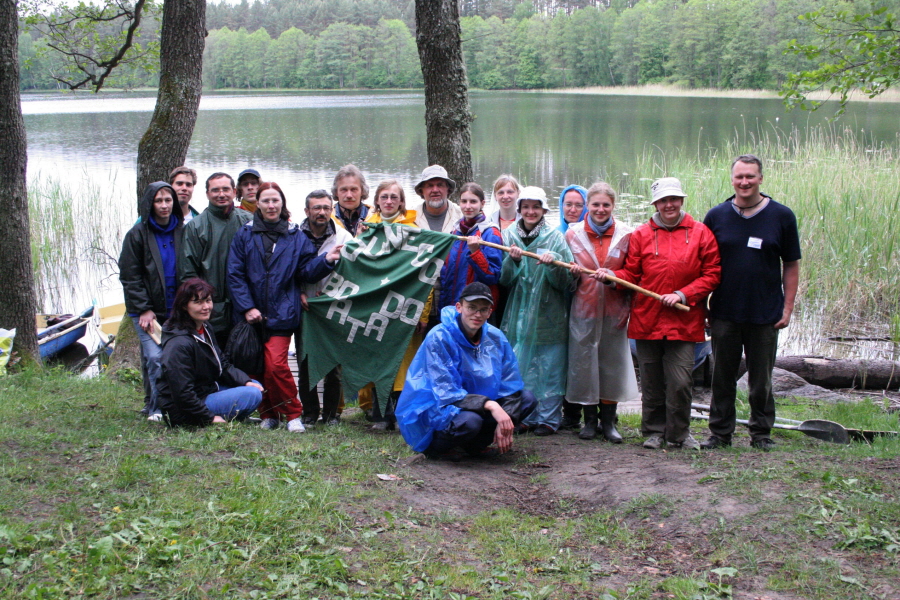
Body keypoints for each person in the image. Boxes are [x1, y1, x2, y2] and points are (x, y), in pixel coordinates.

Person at [600, 177, 720, 450]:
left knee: (680, 381)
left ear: (681, 201)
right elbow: (631, 274)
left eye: (674, 199)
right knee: (652, 381)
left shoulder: (701, 233)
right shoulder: (641, 234)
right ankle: (654, 431)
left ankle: (679, 433)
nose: (669, 205)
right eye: (663, 200)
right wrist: (612, 277)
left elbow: (712, 274)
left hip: (684, 320)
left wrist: (683, 294)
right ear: (655, 203)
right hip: (647, 319)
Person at [700, 155, 802, 451]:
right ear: (732, 179)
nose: (744, 182)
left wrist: (788, 307)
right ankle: (720, 434)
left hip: (766, 313)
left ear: (761, 179)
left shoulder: (782, 216)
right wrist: (704, 306)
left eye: (750, 176)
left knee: (761, 381)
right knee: (721, 378)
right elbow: (704, 266)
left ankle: (761, 434)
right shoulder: (716, 216)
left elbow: (791, 264)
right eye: (739, 177)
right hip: (724, 312)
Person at [228, 182, 341, 432]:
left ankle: (292, 414)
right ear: (257, 203)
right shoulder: (244, 234)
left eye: (275, 201)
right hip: (251, 315)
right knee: (257, 366)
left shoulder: (295, 236)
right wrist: (247, 307)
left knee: (276, 364)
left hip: (282, 312)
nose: (271, 205)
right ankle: (269, 414)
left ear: (282, 203)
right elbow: (235, 274)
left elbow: (306, 271)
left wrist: (327, 260)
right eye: (266, 201)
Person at [395, 282, 537, 460]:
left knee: (525, 400)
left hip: (475, 404)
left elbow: (509, 384)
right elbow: (446, 392)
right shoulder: (440, 336)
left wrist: (506, 417)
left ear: (490, 312)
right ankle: (438, 447)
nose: (477, 315)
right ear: (459, 307)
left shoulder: (495, 337)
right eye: (472, 308)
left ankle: (475, 445)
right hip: (439, 407)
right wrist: (492, 406)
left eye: (483, 310)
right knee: (470, 421)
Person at [564, 182, 640, 441]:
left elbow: (633, 273)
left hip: (613, 311)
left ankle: (609, 422)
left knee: (611, 365)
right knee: (584, 365)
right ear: (588, 205)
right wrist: (570, 273)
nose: (600, 209)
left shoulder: (627, 234)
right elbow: (565, 279)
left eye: (605, 204)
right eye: (595, 204)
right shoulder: (573, 235)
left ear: (613, 206)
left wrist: (614, 276)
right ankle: (589, 421)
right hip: (583, 311)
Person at [500, 186, 575, 436]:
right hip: (519, 315)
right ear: (519, 209)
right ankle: (526, 417)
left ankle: (549, 419)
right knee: (522, 366)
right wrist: (514, 260)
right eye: (526, 207)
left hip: (550, 314)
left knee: (551, 367)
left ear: (544, 209)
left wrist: (554, 266)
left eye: (536, 207)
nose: (530, 212)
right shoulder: (509, 235)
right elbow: (505, 279)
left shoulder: (555, 238)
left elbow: (567, 283)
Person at [157, 278, 264, 427]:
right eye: (198, 302)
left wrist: (245, 380)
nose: (206, 307)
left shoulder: (204, 327)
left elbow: (222, 364)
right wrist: (209, 417)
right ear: (183, 306)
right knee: (251, 395)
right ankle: (206, 420)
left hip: (206, 389)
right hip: (182, 409)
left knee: (253, 385)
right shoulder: (178, 344)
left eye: (208, 300)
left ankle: (229, 415)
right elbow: (182, 393)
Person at [119, 181, 183, 422]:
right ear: (150, 204)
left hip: (175, 309)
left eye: (168, 200)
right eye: (159, 201)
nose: (164, 205)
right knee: (155, 358)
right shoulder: (137, 235)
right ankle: (158, 409)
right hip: (147, 312)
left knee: (165, 358)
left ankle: (164, 404)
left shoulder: (182, 230)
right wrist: (144, 309)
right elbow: (129, 276)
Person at [298, 189, 353, 426]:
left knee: (334, 364)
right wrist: (296, 292)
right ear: (307, 211)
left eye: (326, 208)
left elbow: (354, 274)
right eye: (316, 208)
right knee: (305, 361)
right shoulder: (294, 236)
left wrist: (335, 293)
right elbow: (287, 271)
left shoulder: (344, 237)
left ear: (332, 209)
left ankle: (332, 414)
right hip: (305, 306)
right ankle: (310, 412)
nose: (321, 212)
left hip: (334, 307)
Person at [179, 172, 252, 348]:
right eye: (215, 190)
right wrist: (201, 304)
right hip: (212, 310)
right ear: (207, 194)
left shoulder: (250, 222)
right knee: (215, 361)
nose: (221, 194)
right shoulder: (195, 227)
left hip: (246, 306)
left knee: (247, 358)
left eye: (226, 189)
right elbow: (188, 273)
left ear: (234, 192)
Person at [437, 182, 503, 310]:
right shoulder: (455, 232)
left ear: (482, 204)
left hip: (477, 309)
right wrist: (443, 307)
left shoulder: (491, 233)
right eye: (464, 201)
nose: (468, 206)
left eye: (473, 202)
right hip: (452, 304)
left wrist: (476, 252)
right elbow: (446, 273)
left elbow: (492, 276)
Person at [412, 165, 463, 234]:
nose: (435, 190)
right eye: (430, 186)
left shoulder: (462, 216)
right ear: (421, 191)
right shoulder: (410, 217)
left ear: (448, 189)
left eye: (440, 185)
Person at [331, 164, 370, 234]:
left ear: (362, 191)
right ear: (336, 192)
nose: (349, 195)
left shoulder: (376, 217)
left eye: (354, 189)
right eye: (344, 190)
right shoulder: (327, 217)